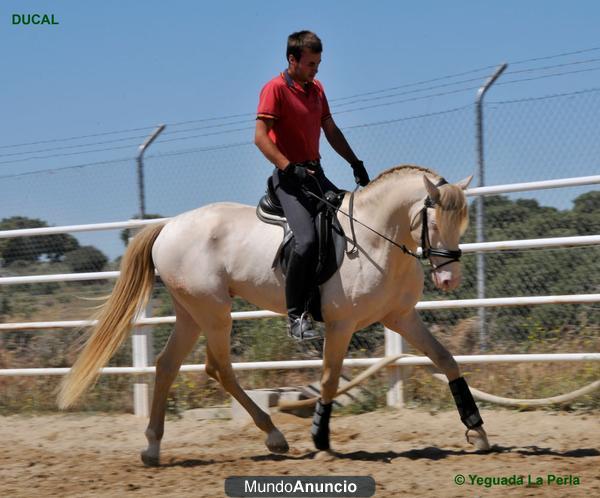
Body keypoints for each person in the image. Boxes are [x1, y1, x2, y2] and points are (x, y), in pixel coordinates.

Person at [255, 30, 370, 341]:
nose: (315, 70)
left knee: (350, 219)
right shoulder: (275, 89)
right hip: (288, 181)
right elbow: (260, 137)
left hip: (315, 175)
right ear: (292, 60)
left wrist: (354, 162)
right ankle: (296, 316)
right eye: (310, 64)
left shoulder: (316, 89)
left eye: (318, 64)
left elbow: (330, 130)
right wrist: (288, 168)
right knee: (305, 242)